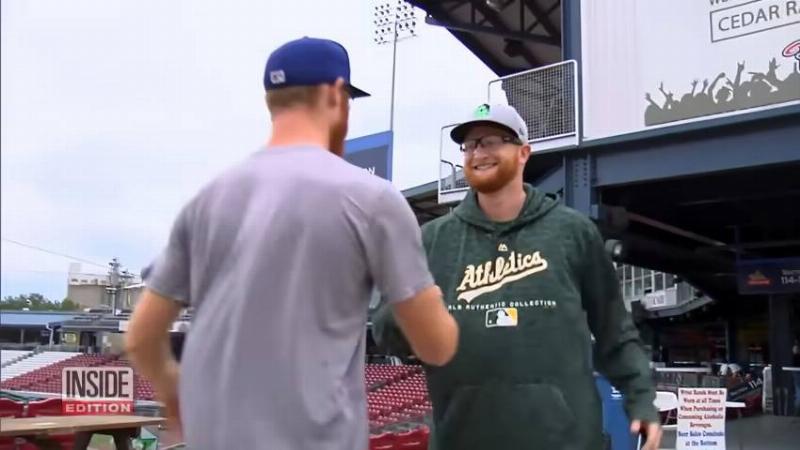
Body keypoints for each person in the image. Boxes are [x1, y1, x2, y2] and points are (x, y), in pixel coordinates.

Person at [124, 36, 459, 450]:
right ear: (336, 97)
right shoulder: (371, 198)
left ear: (272, 102)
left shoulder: (208, 199)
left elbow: (140, 336)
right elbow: (436, 346)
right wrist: (436, 303)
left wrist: (173, 388)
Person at [374, 104, 662, 450]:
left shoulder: (572, 231)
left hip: (564, 440)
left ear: (524, 152)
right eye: (471, 144)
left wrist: (641, 398)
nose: (479, 152)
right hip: (463, 438)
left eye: (493, 140)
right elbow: (388, 333)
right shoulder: (433, 240)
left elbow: (613, 328)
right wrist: (406, 313)